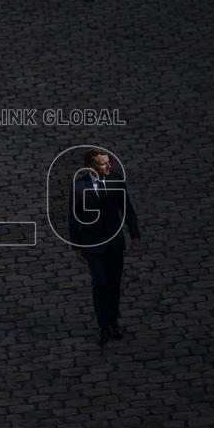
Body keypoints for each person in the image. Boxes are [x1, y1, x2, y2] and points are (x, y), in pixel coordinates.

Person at [69, 148, 140, 346]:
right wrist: (75, 246)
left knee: (114, 284)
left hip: (115, 243)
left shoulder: (116, 180)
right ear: (91, 167)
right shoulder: (79, 186)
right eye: (103, 163)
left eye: (109, 162)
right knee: (100, 283)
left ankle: (113, 320)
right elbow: (73, 217)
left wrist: (134, 233)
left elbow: (127, 208)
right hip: (92, 244)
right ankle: (103, 325)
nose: (109, 166)